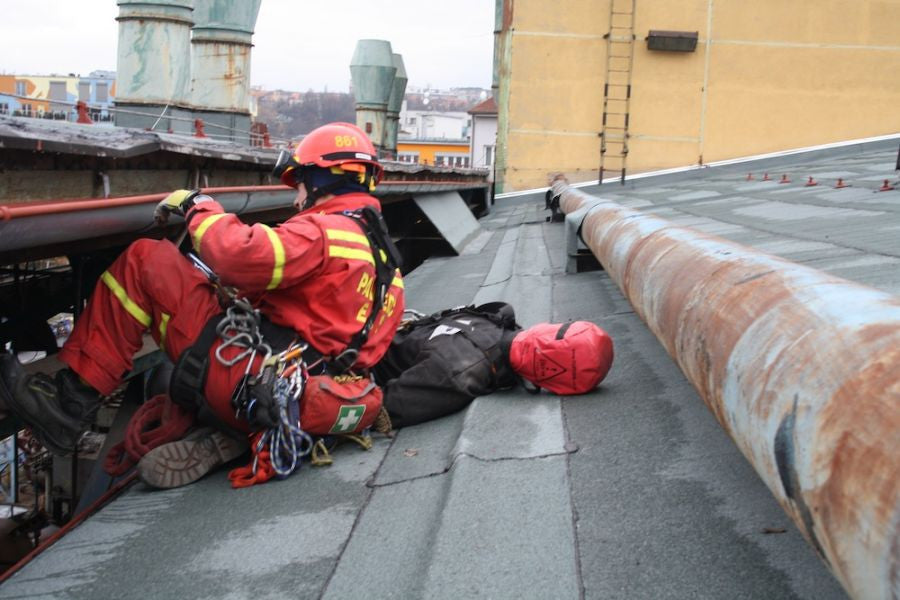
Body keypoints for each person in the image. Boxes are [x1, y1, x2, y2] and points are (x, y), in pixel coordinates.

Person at [0, 122, 405, 488]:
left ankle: (68, 403)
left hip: (253, 383)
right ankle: (232, 434)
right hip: (303, 401)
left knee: (145, 261)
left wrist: (197, 206)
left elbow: (236, 255)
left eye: (298, 183)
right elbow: (319, 318)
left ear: (319, 178)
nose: (297, 198)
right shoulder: (388, 264)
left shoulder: (323, 231)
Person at [372, 302, 614, 429]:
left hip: (365, 341)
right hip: (361, 360)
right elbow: (381, 410)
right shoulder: (461, 373)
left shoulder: (495, 319)